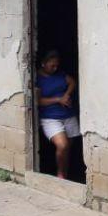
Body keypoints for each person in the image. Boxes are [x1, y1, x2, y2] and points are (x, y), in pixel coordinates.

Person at [35, 49, 78, 179]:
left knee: (67, 148)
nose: (55, 68)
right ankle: (60, 175)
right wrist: (59, 99)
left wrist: (67, 94)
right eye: (52, 65)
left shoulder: (60, 74)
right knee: (62, 145)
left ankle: (65, 173)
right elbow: (38, 100)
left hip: (68, 115)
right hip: (50, 118)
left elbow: (72, 82)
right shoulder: (37, 78)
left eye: (56, 65)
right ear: (43, 63)